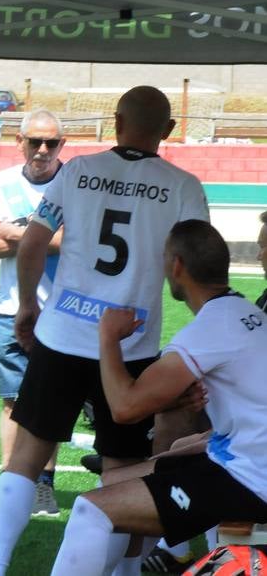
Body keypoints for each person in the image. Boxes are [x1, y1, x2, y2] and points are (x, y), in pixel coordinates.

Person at [0, 86, 210, 576]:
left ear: (117, 122)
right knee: (122, 469)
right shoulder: (183, 185)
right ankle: (122, 572)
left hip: (62, 335)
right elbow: (193, 265)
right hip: (131, 346)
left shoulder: (77, 170)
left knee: (26, 457)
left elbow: (32, 243)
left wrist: (27, 306)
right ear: (168, 130)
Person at [49, 220, 267, 576]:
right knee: (113, 484)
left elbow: (125, 408)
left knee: (91, 510)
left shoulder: (210, 329)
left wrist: (107, 337)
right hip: (243, 460)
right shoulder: (247, 312)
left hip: (251, 480)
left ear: (176, 266)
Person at [0, 111, 65, 518]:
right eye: (35, 142)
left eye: (51, 143)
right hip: (9, 310)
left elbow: (73, 242)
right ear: (20, 142)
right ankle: (11, 485)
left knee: (50, 403)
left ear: (62, 145)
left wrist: (14, 230)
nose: (43, 150)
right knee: (13, 401)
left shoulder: (74, 182)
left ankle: (44, 485)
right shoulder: (1, 183)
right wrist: (44, 235)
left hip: (61, 312)